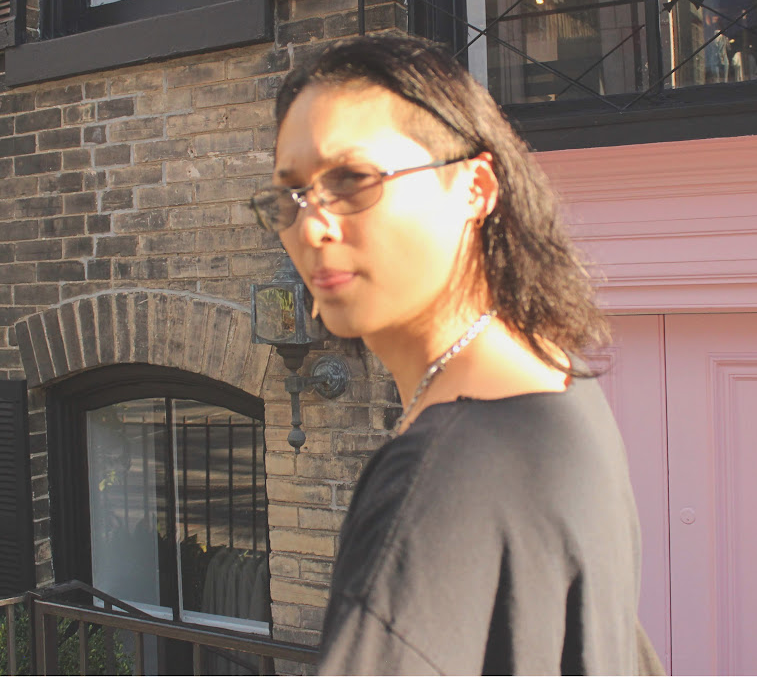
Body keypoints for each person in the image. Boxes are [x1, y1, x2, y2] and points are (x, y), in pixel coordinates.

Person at [251, 33, 664, 675]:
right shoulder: (557, 380)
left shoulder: (441, 480)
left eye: (353, 180)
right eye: (291, 196)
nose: (310, 225)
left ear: (474, 187)